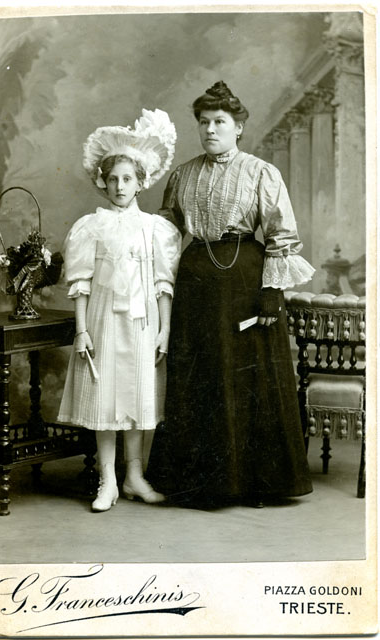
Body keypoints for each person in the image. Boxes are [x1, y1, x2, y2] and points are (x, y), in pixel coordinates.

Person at [146, 81, 315, 509]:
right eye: (204, 122)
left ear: (238, 127)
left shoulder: (260, 172)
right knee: (199, 377)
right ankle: (198, 483)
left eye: (219, 122)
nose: (210, 130)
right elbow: (166, 232)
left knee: (246, 376)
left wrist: (271, 294)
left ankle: (254, 483)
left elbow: (281, 235)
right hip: (196, 285)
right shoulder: (182, 174)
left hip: (244, 280)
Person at [58, 109, 181, 512]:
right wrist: (82, 330)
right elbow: (81, 283)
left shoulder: (155, 229)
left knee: (137, 394)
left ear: (141, 182)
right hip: (104, 319)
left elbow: (163, 284)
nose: (119, 186)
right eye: (112, 179)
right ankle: (108, 480)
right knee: (106, 395)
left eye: (127, 179)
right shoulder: (91, 226)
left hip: (143, 322)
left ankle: (134, 476)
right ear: (103, 182)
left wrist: (164, 329)